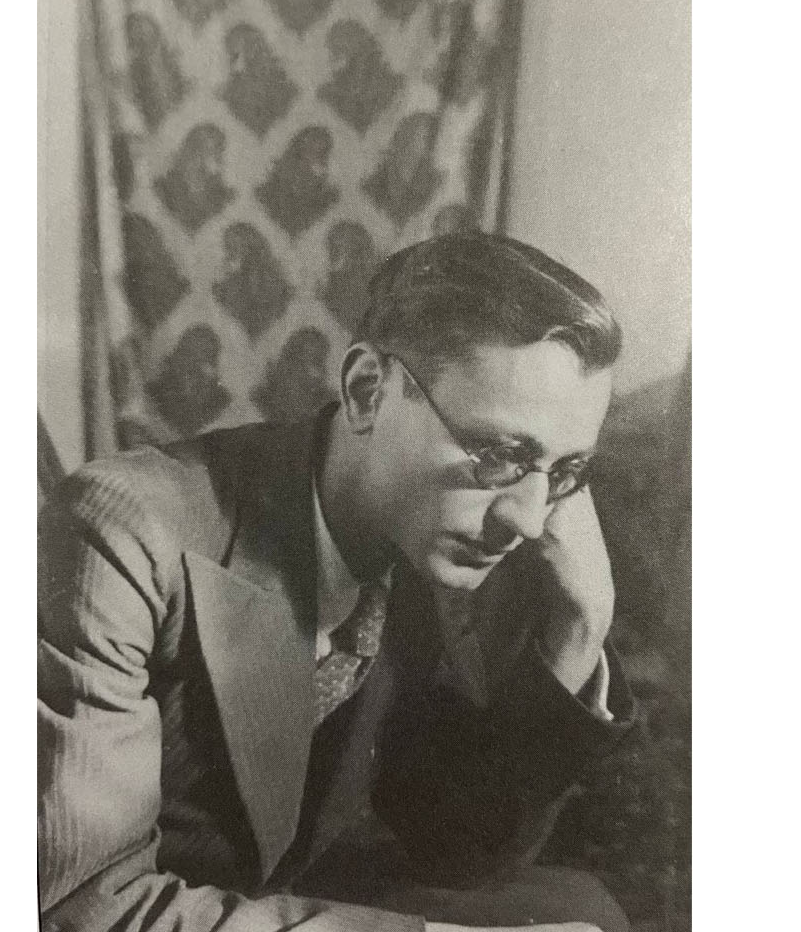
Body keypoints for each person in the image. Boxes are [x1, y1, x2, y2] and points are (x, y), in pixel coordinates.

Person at [39, 232, 636, 932]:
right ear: (366, 392)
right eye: (498, 453)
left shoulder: (435, 541)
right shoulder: (124, 531)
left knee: (589, 913)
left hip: (255, 905)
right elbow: (88, 908)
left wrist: (582, 624)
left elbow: (454, 850)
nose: (529, 521)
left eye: (566, 471)